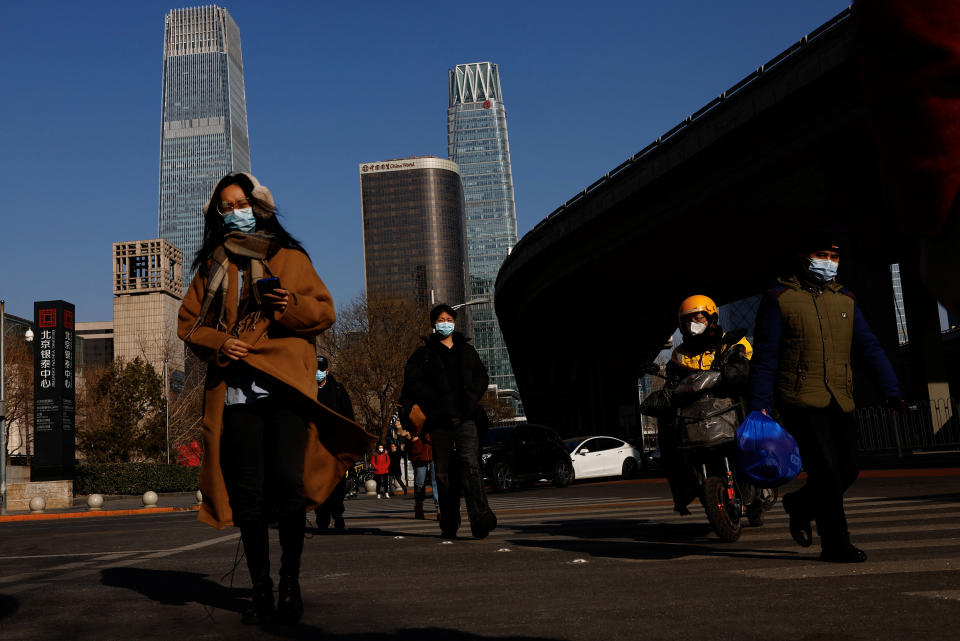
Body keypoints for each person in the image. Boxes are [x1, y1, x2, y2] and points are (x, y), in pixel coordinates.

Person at [177, 172, 373, 625]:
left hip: (284, 387)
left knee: (287, 485)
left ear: (259, 206)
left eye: (240, 203)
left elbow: (323, 311)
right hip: (237, 393)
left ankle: (290, 583)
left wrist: (287, 304)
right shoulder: (212, 265)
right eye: (224, 207)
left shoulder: (289, 255)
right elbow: (189, 325)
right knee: (248, 494)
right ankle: (261, 590)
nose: (234, 213)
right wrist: (220, 344)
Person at [746, 233, 902, 563]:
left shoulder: (845, 299)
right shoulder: (779, 298)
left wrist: (890, 389)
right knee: (827, 473)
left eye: (834, 256)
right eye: (821, 255)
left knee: (848, 470)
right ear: (803, 257)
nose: (829, 262)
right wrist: (758, 405)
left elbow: (869, 347)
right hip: (800, 399)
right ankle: (836, 543)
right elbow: (766, 356)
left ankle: (799, 504)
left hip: (840, 397)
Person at [643, 295, 756, 519]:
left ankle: (757, 485)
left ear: (711, 318)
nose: (693, 323)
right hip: (698, 414)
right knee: (669, 431)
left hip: (731, 407)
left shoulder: (732, 342)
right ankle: (683, 492)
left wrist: (731, 371)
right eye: (687, 320)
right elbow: (675, 381)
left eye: (698, 317)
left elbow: (744, 367)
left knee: (753, 433)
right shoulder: (680, 353)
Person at [402, 303, 497, 539]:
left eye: (449, 319)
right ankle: (449, 522)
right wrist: (434, 401)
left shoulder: (466, 351)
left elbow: (482, 375)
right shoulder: (423, 355)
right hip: (440, 422)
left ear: (454, 322)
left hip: (467, 418)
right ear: (434, 324)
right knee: (443, 474)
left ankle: (480, 519)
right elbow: (412, 385)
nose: (446, 323)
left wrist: (473, 395)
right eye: (441, 319)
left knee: (471, 468)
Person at [313, 356, 355, 531]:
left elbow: (349, 416)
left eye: (320, 369)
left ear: (327, 371)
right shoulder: (307, 389)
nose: (317, 372)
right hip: (315, 445)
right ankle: (322, 517)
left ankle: (337, 514)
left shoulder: (337, 390)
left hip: (336, 443)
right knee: (318, 482)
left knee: (337, 482)